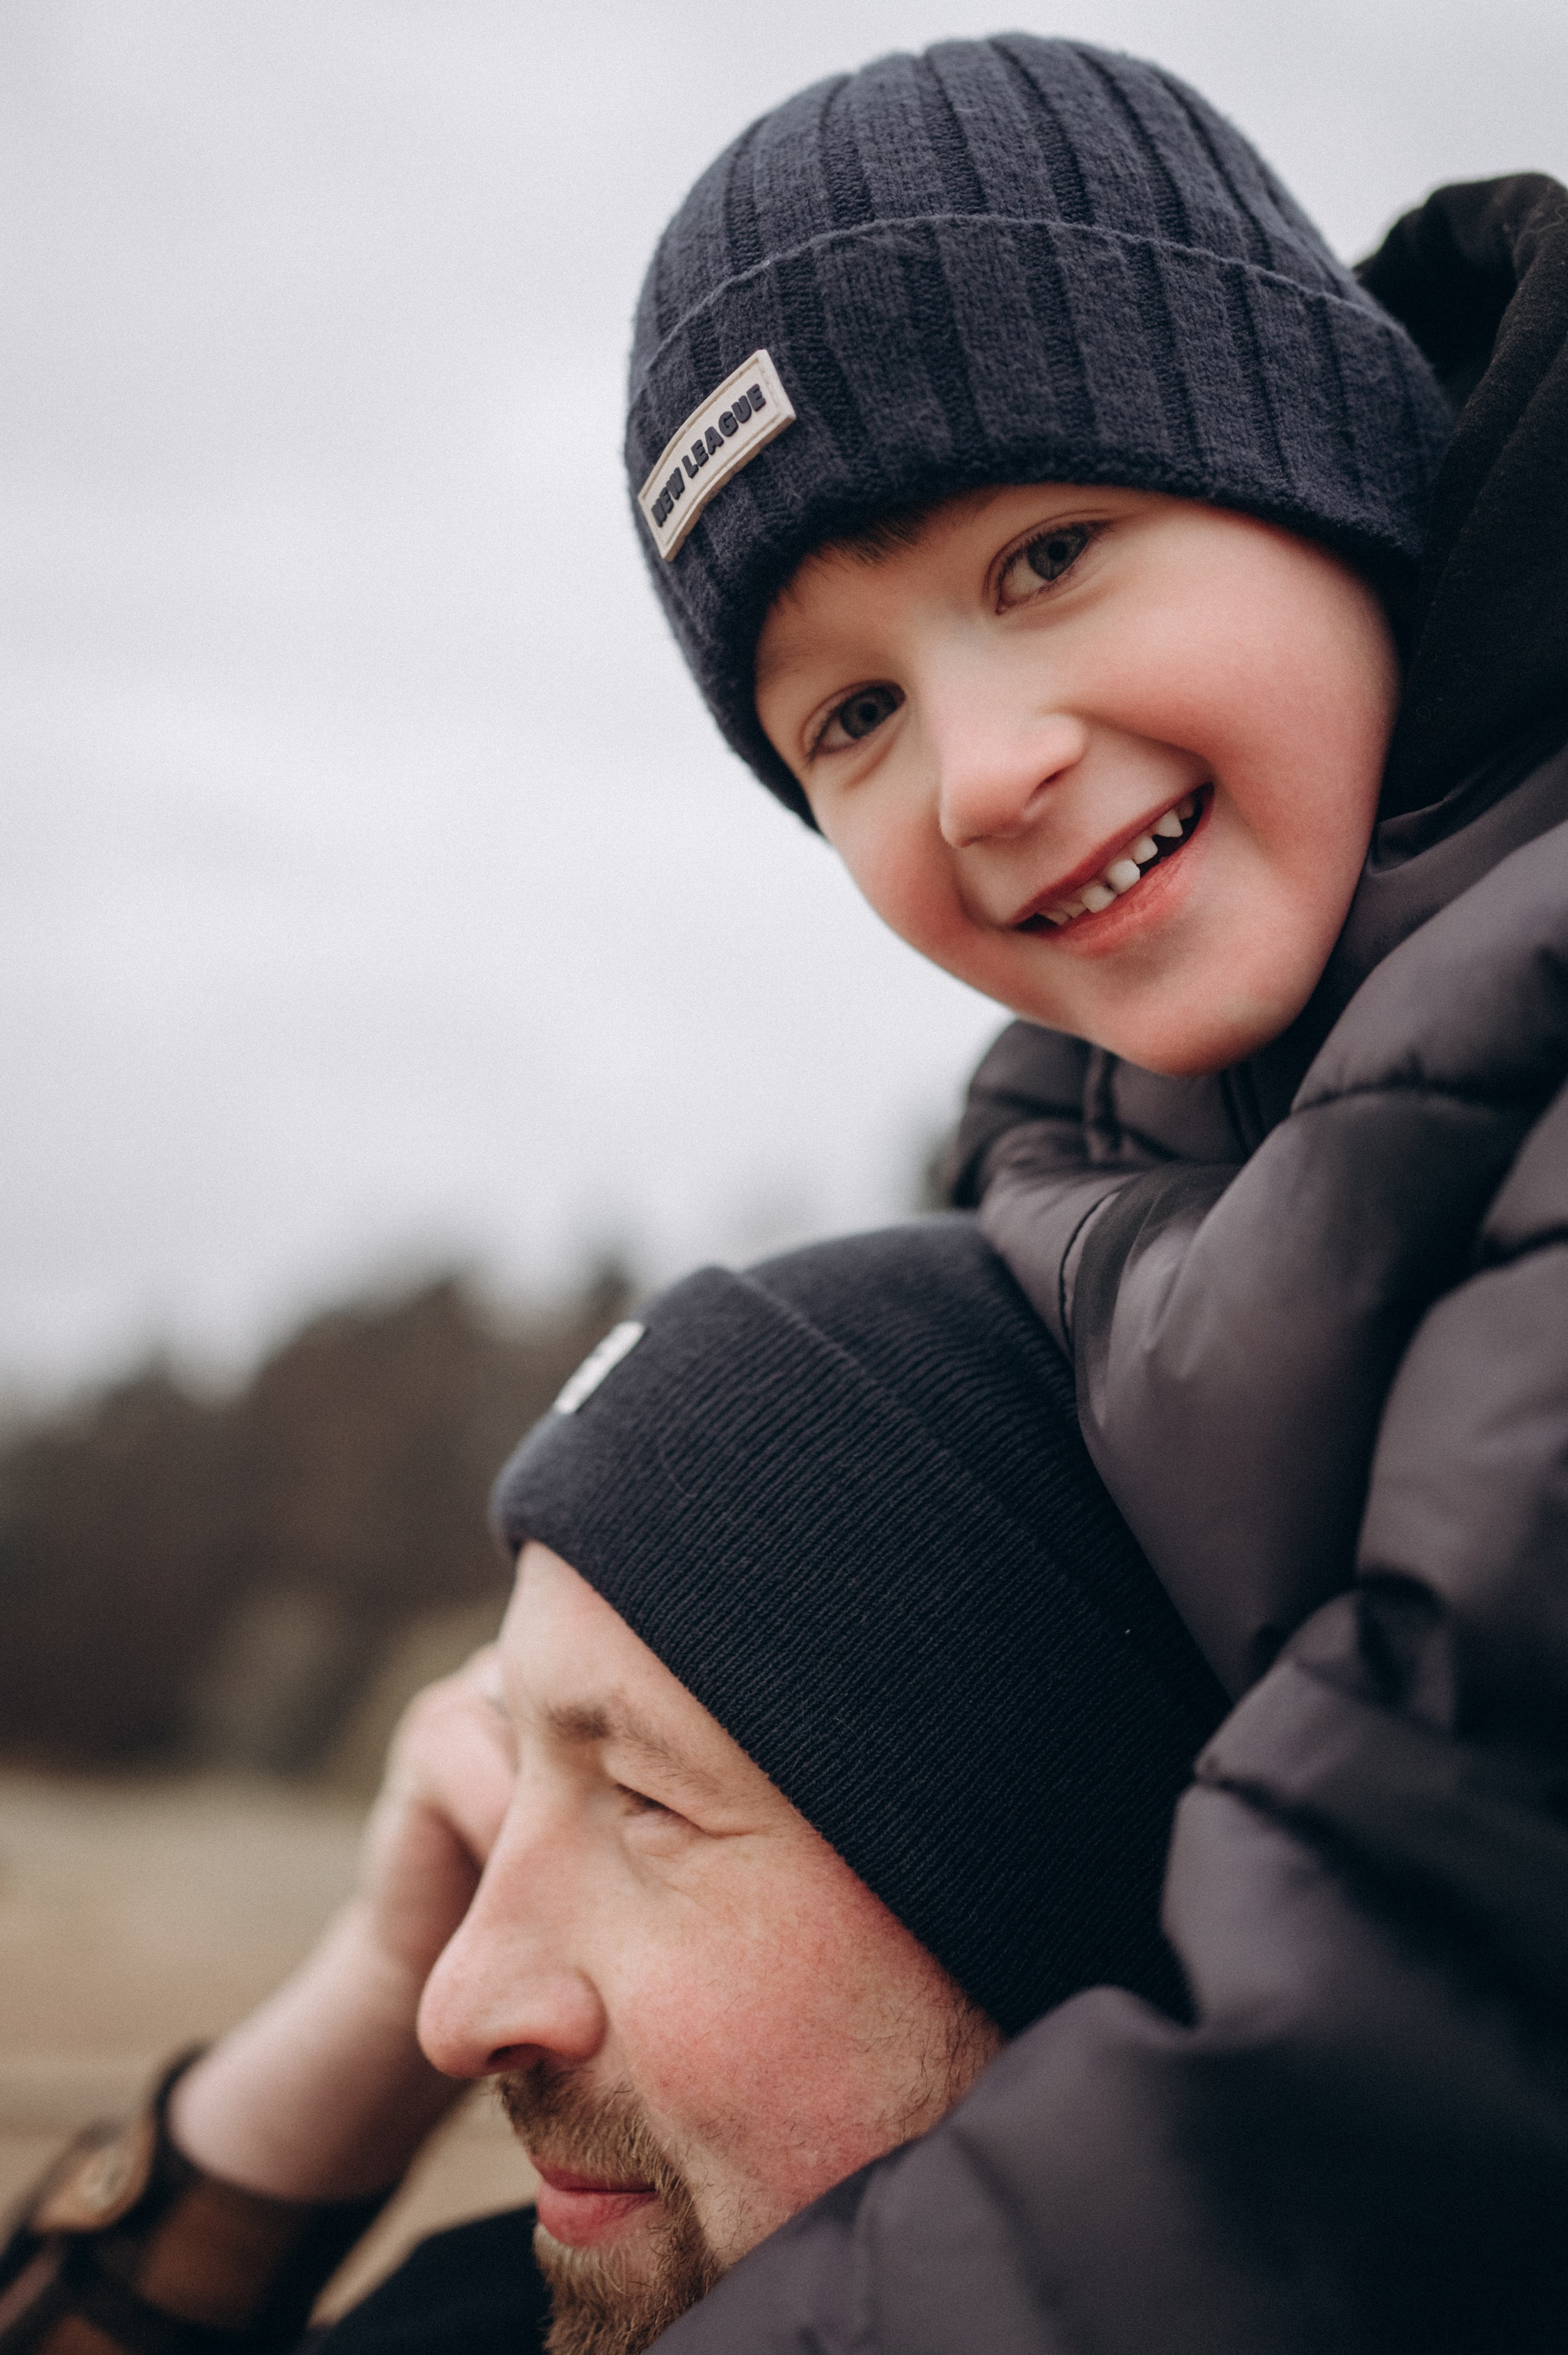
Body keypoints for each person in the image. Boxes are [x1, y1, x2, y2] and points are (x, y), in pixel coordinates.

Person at [609, 29, 1568, 2351]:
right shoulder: (1078, 1173)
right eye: (847, 718)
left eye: (1049, 555)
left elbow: (1408, 2024)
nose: (987, 771)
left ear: (1326, 465)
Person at [0, 1221, 1226, 2355]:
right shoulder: (482, 2317)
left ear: (1044, 1872)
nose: (452, 2014)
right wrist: (361, 1995)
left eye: (646, 1799)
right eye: (512, 1753)